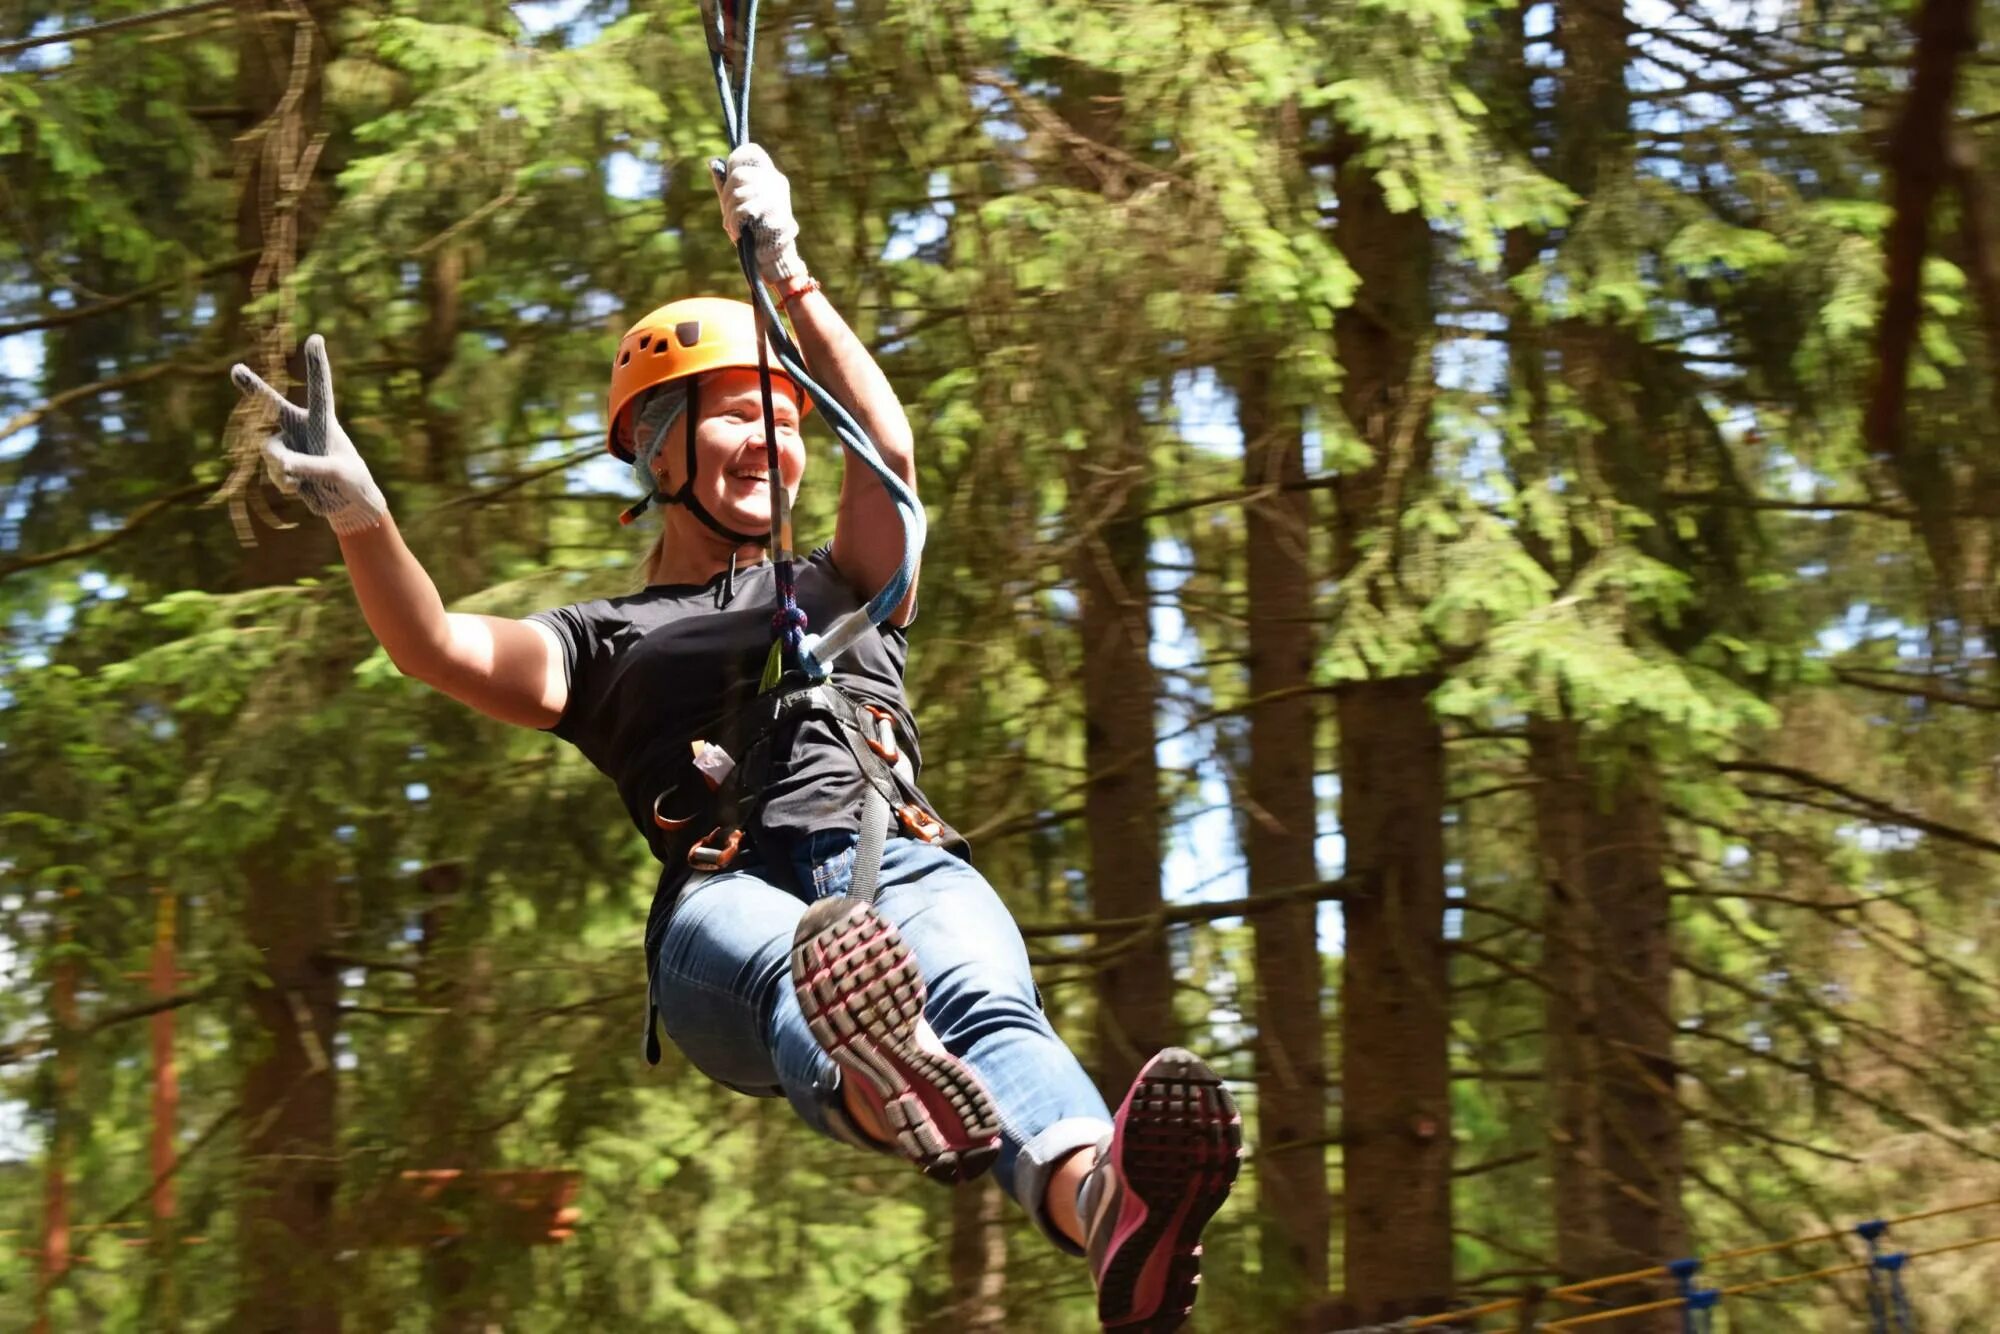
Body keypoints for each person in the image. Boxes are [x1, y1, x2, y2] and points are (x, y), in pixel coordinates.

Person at [229, 144, 1242, 1331]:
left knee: (979, 997)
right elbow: (436, 644)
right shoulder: (603, 641)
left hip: (902, 863)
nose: (773, 439)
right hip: (728, 905)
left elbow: (892, 459)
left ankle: (1105, 1209)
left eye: (786, 418)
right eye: (737, 415)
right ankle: (880, 1059)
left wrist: (792, 273)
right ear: (657, 445)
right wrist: (364, 516)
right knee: (803, 971)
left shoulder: (847, 580)